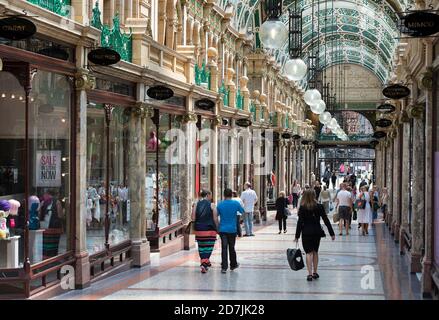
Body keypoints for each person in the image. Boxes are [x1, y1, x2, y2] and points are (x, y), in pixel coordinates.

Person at [295, 190, 335, 281]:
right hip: (317, 232)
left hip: (306, 233)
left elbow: (300, 223)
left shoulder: (303, 208)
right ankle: (315, 272)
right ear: (314, 195)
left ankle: (309, 274)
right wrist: (331, 233)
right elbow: (326, 220)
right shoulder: (319, 207)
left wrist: (297, 236)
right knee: (315, 252)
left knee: (308, 253)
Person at [217, 188, 245, 273]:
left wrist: (218, 225)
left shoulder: (220, 204)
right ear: (231, 195)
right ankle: (233, 264)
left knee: (224, 248)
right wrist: (239, 221)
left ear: (224, 195)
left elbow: (216, 215)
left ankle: (224, 267)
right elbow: (242, 212)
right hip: (232, 229)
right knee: (232, 247)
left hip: (223, 229)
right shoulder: (235, 203)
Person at [192, 190, 219, 273]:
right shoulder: (212, 205)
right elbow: (215, 218)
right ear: (207, 195)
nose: (211, 197)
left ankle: (205, 263)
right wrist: (218, 228)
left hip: (199, 230)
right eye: (211, 195)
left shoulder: (196, 204)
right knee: (209, 247)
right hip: (210, 230)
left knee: (201, 247)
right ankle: (204, 263)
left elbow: (193, 218)